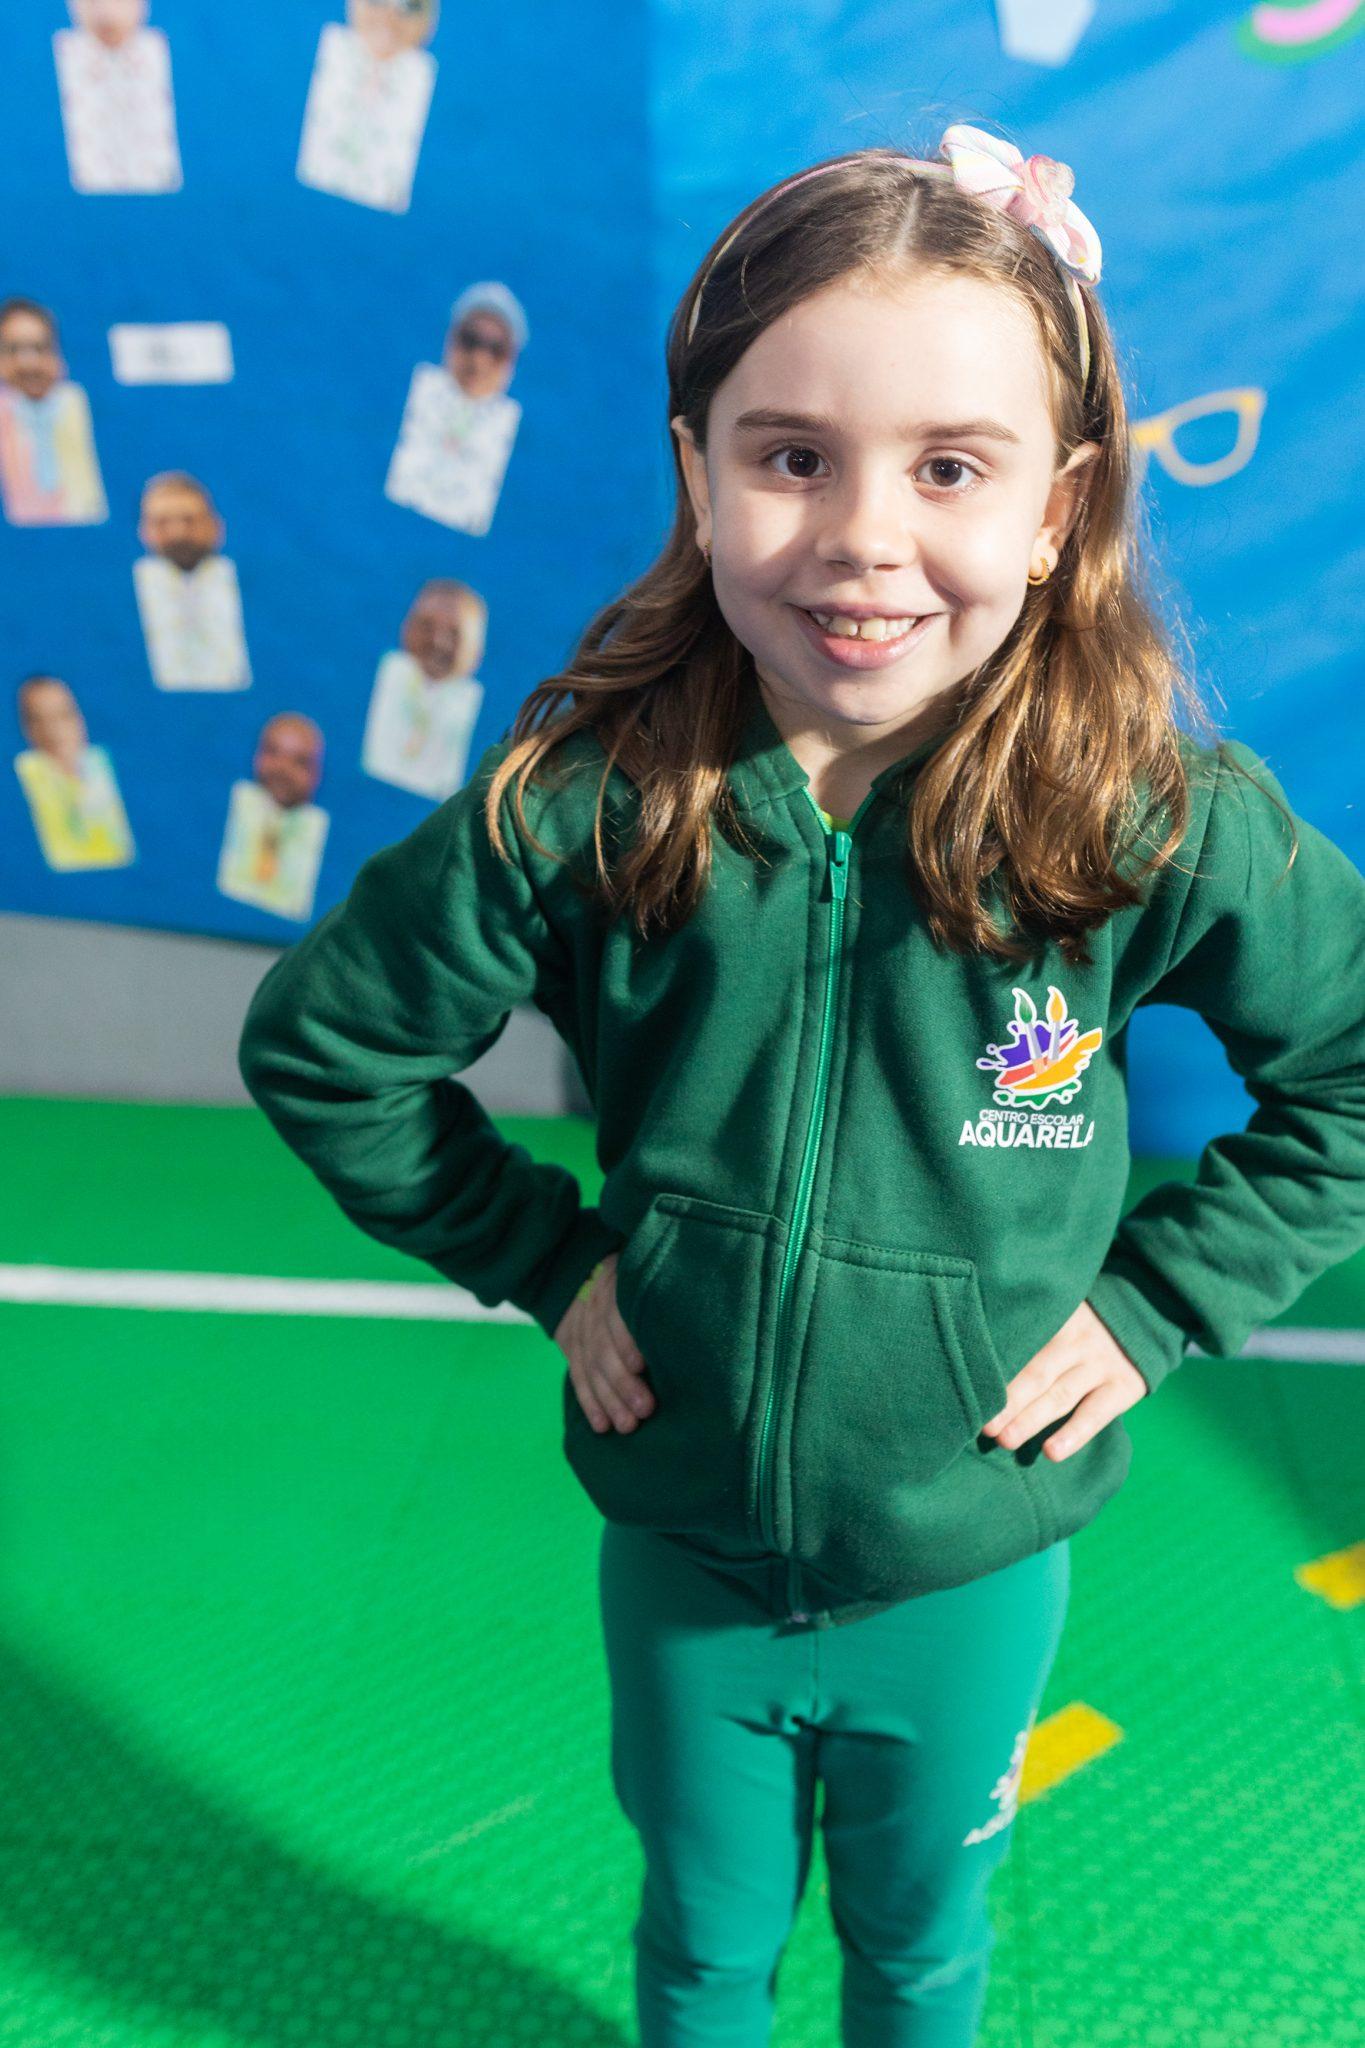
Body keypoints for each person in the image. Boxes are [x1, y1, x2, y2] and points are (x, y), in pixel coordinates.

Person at [237, 121, 1365, 2047]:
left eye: (949, 467)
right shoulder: (588, 801)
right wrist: (544, 1260)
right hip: (684, 1547)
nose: (861, 535)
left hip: (970, 1553)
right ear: (697, 475)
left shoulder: (1149, 813)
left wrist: (1160, 1299)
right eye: (791, 458)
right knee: (702, 1944)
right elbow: (328, 1048)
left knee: (921, 1949)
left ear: (1058, 505)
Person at [133, 471, 252, 690]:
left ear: (216, 526)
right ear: (144, 531)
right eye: (162, 522)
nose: (178, 533)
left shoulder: (252, 589)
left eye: (189, 520)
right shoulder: (125, 596)